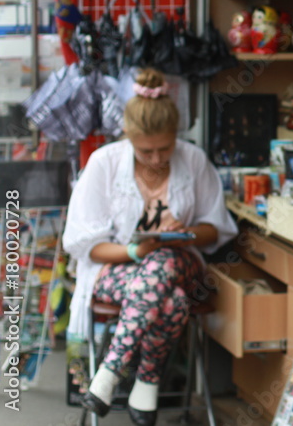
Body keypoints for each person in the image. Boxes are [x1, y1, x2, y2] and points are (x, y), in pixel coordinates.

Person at [63, 69, 238, 426]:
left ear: (178, 136)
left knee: (166, 259)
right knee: (169, 298)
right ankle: (146, 381)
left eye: (165, 148)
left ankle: (110, 372)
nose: (157, 159)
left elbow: (215, 228)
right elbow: (85, 245)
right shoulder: (103, 164)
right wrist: (134, 253)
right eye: (146, 151)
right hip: (115, 269)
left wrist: (185, 232)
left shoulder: (192, 160)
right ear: (127, 135)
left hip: (182, 262)